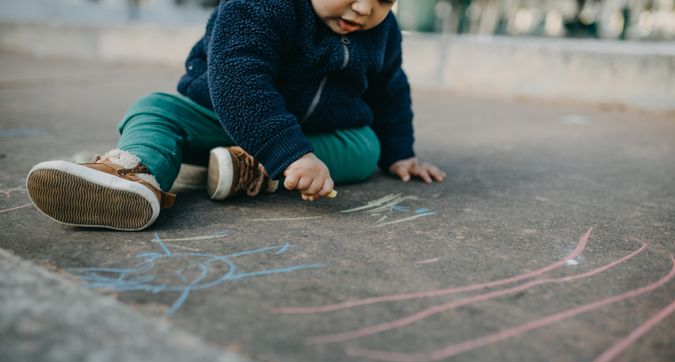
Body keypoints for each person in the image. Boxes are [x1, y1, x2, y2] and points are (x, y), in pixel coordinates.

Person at [26, 0, 446, 231]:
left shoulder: (383, 32)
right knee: (154, 107)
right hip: (220, 114)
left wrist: (400, 152)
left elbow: (391, 89)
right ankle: (137, 174)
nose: (362, 9)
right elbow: (239, 80)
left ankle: (251, 169)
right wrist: (288, 151)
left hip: (316, 136)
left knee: (365, 146)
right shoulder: (260, 6)